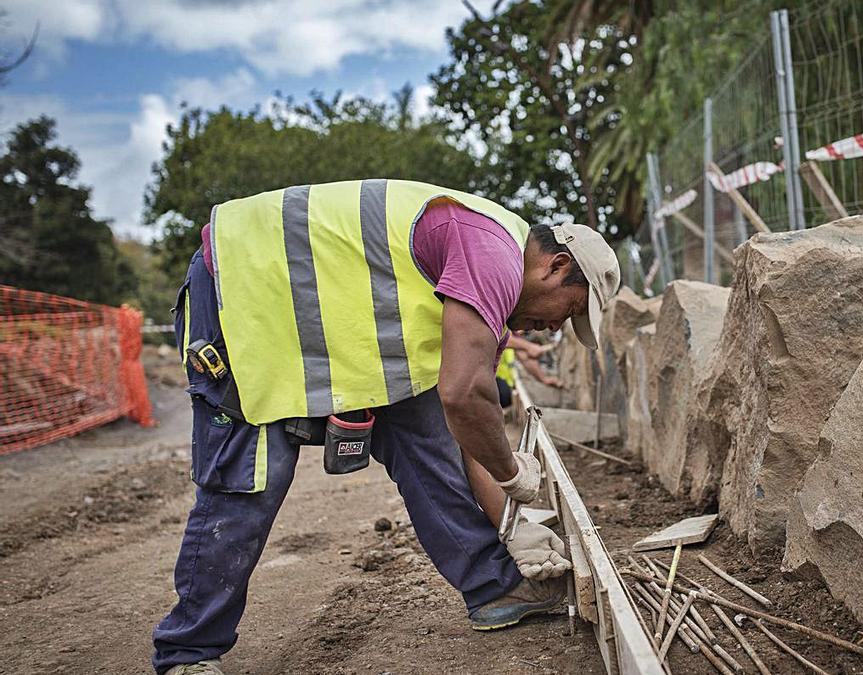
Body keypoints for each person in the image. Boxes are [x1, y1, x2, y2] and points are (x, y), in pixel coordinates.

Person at [153, 179, 619, 675]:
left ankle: (495, 586)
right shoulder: (492, 251)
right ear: (557, 265)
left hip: (331, 328)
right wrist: (512, 476)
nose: (554, 328)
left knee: (426, 438)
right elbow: (464, 393)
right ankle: (189, 651)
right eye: (568, 311)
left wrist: (512, 523)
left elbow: (464, 426)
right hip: (246, 289)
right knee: (252, 476)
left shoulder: (490, 292)